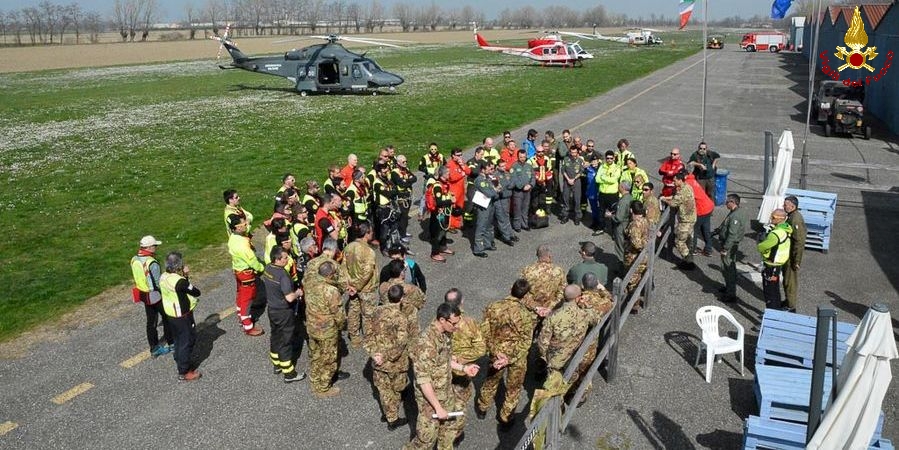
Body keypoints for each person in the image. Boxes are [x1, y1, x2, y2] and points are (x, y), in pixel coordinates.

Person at [404, 303, 478, 450]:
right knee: (425, 441)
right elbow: (424, 381)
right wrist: (438, 408)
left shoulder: (445, 334)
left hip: (446, 393)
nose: (456, 327)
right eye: (454, 323)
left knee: (449, 432)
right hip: (430, 402)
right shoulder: (426, 344)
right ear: (442, 320)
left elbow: (445, 360)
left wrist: (464, 368)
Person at [476, 279, 535, 430]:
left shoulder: (493, 307)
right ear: (526, 295)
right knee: (513, 388)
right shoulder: (526, 315)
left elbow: (484, 332)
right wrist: (510, 358)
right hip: (516, 357)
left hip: (497, 354)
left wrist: (495, 352)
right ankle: (505, 418)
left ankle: (482, 407)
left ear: (511, 288)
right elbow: (526, 342)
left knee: (490, 381)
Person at [365, 284, 411, 431]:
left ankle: (388, 412)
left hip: (378, 362)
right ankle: (393, 418)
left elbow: (368, 336)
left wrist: (375, 354)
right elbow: (401, 344)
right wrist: (385, 357)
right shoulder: (401, 318)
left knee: (383, 390)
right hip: (395, 363)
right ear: (402, 298)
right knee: (396, 390)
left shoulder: (376, 312)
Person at [444, 289, 485, 443]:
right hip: (462, 373)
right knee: (460, 405)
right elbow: (481, 349)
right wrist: (462, 360)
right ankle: (456, 435)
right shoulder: (470, 323)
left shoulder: (440, 321)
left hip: (444, 371)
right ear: (462, 302)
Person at [537, 284, 596, 386]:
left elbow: (542, 342)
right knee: (570, 382)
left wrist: (545, 358)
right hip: (575, 357)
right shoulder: (584, 315)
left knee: (552, 386)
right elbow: (595, 319)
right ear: (578, 298)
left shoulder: (553, 317)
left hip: (556, 360)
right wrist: (587, 305)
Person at [305, 261, 348, 398]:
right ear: (329, 274)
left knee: (315, 355)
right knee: (328, 359)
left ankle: (315, 381)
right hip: (326, 331)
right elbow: (338, 314)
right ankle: (323, 388)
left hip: (312, 326)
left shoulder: (309, 283)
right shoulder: (331, 291)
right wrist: (341, 326)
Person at [263, 246, 306, 383]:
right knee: (286, 341)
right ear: (278, 259)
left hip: (272, 310)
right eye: (285, 258)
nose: (288, 260)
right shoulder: (283, 275)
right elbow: (289, 298)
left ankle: (276, 364)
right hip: (283, 312)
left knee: (275, 336)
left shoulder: (268, 269)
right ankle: (289, 373)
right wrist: (298, 293)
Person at [159, 251, 202, 382]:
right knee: (187, 340)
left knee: (178, 339)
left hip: (171, 314)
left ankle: (179, 359)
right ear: (178, 266)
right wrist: (186, 276)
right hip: (182, 314)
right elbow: (196, 292)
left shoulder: (163, 276)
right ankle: (184, 371)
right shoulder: (179, 282)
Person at [130, 235, 173, 358]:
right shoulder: (151, 262)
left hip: (143, 293)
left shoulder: (134, 259)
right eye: (154, 246)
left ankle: (154, 347)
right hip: (154, 294)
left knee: (151, 321)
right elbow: (158, 281)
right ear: (148, 247)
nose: (156, 247)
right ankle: (172, 342)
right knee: (167, 317)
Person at [227, 214, 265, 336]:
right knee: (247, 299)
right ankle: (248, 325)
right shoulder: (242, 245)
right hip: (246, 274)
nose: (246, 225)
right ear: (237, 228)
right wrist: (261, 268)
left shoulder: (233, 238)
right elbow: (252, 260)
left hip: (238, 271)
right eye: (244, 224)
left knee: (240, 295)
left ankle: (240, 315)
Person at [343, 222, 379, 348]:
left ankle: (355, 338)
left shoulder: (348, 247)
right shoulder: (368, 251)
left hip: (352, 287)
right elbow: (367, 273)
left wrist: (350, 285)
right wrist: (357, 286)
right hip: (366, 288)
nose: (372, 233)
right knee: (368, 315)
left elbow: (344, 268)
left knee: (353, 311)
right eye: (371, 231)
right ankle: (369, 339)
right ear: (367, 234)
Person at [379, 259, 426, 338]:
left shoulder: (383, 286)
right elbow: (421, 302)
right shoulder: (412, 289)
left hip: (389, 321)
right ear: (401, 273)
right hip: (409, 324)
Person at [521, 245, 566, 324]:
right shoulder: (558, 271)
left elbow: (521, 292)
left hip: (532, 312)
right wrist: (550, 307)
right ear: (550, 255)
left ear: (537, 255)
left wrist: (536, 307)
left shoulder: (527, 271)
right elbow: (562, 291)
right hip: (552, 311)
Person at [661, 172, 697, 270]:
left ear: (680, 180)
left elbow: (673, 203)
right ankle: (688, 260)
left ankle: (688, 260)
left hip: (685, 220)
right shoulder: (688, 187)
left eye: (675, 180)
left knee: (679, 242)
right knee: (688, 239)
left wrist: (664, 200)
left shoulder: (681, 192)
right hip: (692, 218)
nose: (673, 182)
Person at [758, 209, 792, 310]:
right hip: (777, 265)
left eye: (773, 217)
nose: (771, 219)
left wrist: (760, 243)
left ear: (780, 219)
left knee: (769, 294)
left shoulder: (775, 234)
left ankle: (770, 315)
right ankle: (776, 311)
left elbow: (761, 247)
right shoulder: (785, 229)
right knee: (775, 291)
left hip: (770, 266)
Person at [716, 194, 747, 303]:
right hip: (731, 245)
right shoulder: (736, 212)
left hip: (730, 245)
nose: (726, 203)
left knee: (728, 268)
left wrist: (725, 248)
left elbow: (732, 234)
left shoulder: (735, 216)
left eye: (727, 202)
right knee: (729, 267)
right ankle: (729, 287)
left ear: (733, 202)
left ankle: (730, 294)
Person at [426, 166, 455, 263]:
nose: (449, 174)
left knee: (444, 230)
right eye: (447, 173)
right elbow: (438, 202)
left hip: (444, 211)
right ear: (443, 174)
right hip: (438, 213)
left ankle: (443, 247)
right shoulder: (437, 186)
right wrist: (450, 200)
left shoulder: (444, 184)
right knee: (437, 233)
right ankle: (434, 253)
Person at [471, 161, 500, 258]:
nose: (491, 171)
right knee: (481, 227)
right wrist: (495, 191)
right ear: (483, 170)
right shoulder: (480, 180)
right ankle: (478, 249)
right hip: (483, 206)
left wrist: (495, 190)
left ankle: (487, 244)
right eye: (489, 169)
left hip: (489, 204)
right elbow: (489, 193)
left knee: (489, 225)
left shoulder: (488, 178)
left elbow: (498, 188)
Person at [782, 196, 806, 312]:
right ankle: (787, 300)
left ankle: (791, 306)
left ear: (793, 206)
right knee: (786, 280)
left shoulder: (795, 219)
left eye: (786, 205)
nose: (783, 206)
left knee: (790, 281)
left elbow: (799, 242)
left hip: (791, 257)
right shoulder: (792, 216)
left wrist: (797, 261)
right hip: (788, 254)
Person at [686, 173, 716, 257]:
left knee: (693, 229)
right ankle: (708, 249)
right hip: (708, 206)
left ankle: (693, 249)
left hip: (701, 209)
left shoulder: (686, 184)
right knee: (706, 228)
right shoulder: (692, 179)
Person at [371, 163, 399, 252]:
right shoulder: (377, 183)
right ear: (378, 173)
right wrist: (392, 191)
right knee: (384, 229)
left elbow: (396, 189)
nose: (386, 171)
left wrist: (393, 191)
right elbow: (389, 193)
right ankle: (383, 248)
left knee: (393, 226)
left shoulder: (386, 180)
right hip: (382, 209)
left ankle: (394, 244)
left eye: (386, 170)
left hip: (389, 207)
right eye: (384, 170)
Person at [624, 201, 649, 296]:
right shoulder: (645, 220)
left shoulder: (635, 225)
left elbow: (637, 244)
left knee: (632, 281)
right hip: (644, 256)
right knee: (640, 276)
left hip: (634, 257)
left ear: (631, 210)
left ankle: (634, 304)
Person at [607, 181, 633, 269]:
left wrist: (610, 216)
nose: (618, 187)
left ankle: (621, 268)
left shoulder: (623, 201)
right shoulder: (630, 197)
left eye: (619, 186)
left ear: (622, 188)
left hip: (621, 226)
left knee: (620, 247)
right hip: (627, 223)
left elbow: (619, 218)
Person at [391, 155, 417, 242]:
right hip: (401, 197)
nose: (405, 163)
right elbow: (401, 184)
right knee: (403, 215)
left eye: (406, 161)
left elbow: (415, 178)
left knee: (405, 215)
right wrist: (408, 181)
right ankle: (402, 235)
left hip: (408, 195)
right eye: (403, 162)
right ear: (398, 163)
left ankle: (404, 231)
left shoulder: (406, 169)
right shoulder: (394, 172)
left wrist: (407, 181)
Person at [493, 160, 518, 246]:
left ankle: (510, 234)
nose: (504, 167)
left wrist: (509, 184)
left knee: (507, 216)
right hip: (501, 199)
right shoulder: (495, 176)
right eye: (502, 166)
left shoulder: (507, 173)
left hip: (507, 197)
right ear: (498, 167)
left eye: (504, 166)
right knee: (502, 218)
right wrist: (508, 184)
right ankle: (506, 236)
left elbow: (512, 183)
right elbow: (502, 187)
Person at [510, 149, 535, 232]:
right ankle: (517, 226)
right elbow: (513, 179)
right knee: (517, 209)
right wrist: (522, 186)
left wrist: (530, 185)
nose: (523, 158)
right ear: (518, 156)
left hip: (528, 191)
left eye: (524, 157)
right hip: (518, 191)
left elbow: (533, 177)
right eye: (521, 157)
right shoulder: (514, 166)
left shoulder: (529, 166)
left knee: (525, 208)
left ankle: (524, 224)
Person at [445, 148, 471, 232]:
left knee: (460, 207)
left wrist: (462, 165)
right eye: (458, 155)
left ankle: (457, 224)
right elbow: (452, 177)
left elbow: (468, 171)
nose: (460, 157)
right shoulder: (449, 164)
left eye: (461, 155)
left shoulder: (461, 163)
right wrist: (462, 174)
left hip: (461, 189)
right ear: (453, 156)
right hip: (453, 190)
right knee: (453, 207)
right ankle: (451, 225)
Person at [597, 150, 622, 233]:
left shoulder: (617, 168)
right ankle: (601, 228)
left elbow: (614, 180)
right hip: (602, 193)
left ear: (614, 158)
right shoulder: (602, 166)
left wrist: (603, 177)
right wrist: (607, 179)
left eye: (611, 158)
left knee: (614, 213)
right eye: (607, 158)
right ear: (605, 158)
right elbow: (597, 179)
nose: (609, 160)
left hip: (613, 194)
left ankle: (614, 231)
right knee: (601, 212)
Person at [559, 146, 585, 225]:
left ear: (577, 153)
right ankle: (565, 216)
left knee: (577, 200)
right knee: (565, 199)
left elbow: (581, 171)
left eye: (575, 152)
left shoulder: (580, 160)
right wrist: (568, 179)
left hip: (576, 182)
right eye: (572, 152)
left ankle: (577, 217)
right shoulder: (566, 159)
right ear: (570, 152)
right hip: (567, 182)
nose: (573, 154)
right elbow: (562, 170)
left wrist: (573, 179)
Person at [528, 140, 555, 214]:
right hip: (536, 182)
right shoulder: (531, 160)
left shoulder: (546, 159)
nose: (541, 153)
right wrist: (537, 178)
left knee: (546, 196)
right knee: (535, 197)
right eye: (539, 152)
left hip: (545, 181)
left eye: (542, 151)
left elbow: (549, 169)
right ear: (536, 152)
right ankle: (534, 212)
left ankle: (547, 209)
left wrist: (546, 181)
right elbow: (528, 171)